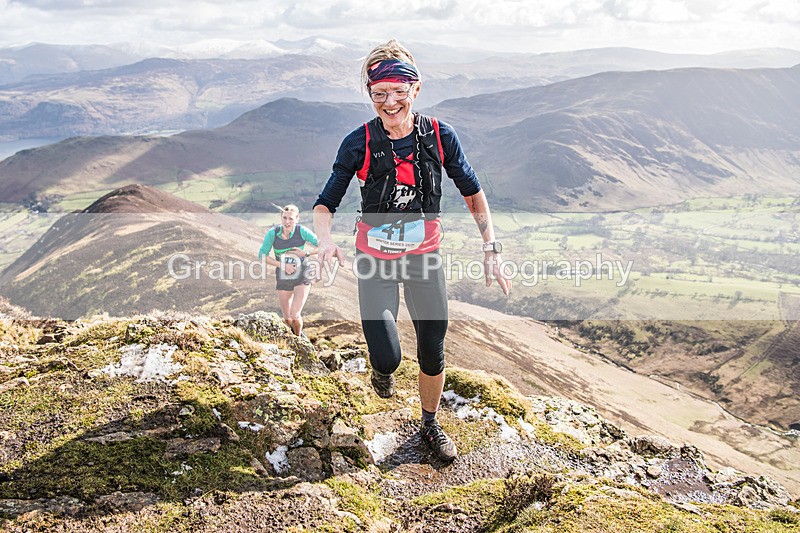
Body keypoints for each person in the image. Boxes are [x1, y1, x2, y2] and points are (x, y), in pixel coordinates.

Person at [313, 39, 511, 463]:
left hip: (425, 257)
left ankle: (429, 423)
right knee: (388, 357)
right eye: (379, 93)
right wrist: (325, 239)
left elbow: (471, 191)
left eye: (399, 92)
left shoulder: (440, 136)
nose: (390, 102)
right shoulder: (358, 142)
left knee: (432, 346)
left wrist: (490, 245)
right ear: (369, 93)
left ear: (415, 90)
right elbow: (326, 202)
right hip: (375, 260)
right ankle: (382, 372)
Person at [258, 204, 318, 337]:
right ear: (281, 218)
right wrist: (282, 265)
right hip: (283, 275)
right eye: (284, 218)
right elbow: (262, 255)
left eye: (291, 219)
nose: (287, 222)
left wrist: (306, 253)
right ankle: (295, 335)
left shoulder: (302, 231)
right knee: (287, 318)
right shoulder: (273, 234)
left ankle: (298, 340)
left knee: (295, 315)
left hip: (302, 273)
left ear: (297, 219)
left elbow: (322, 245)